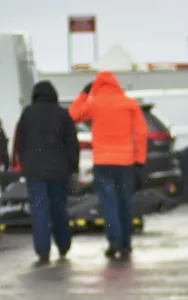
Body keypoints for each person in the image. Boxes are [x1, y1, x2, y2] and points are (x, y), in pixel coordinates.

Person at [69, 71, 147, 259]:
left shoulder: (94, 103)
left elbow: (73, 115)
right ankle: (126, 244)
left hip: (103, 163)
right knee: (124, 203)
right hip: (126, 163)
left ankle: (114, 242)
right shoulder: (130, 103)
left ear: (97, 86)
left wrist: (83, 94)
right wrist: (140, 159)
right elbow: (141, 133)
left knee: (109, 204)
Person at [11, 81, 79, 264]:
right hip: (59, 171)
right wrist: (73, 167)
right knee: (58, 208)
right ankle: (63, 245)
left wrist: (24, 163)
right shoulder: (62, 114)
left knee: (39, 209)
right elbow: (72, 144)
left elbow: (20, 141)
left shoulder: (28, 113)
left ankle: (42, 250)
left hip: (34, 171)